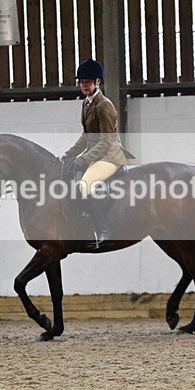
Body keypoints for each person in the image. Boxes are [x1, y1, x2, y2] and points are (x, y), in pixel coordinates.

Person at [61, 58, 134, 249]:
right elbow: (86, 137)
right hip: (96, 156)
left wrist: (84, 159)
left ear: (98, 82)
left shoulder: (104, 106)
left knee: (85, 186)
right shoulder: (86, 103)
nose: (84, 85)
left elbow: (107, 141)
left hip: (109, 157)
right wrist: (68, 155)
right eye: (82, 82)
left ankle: (104, 231)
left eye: (88, 81)